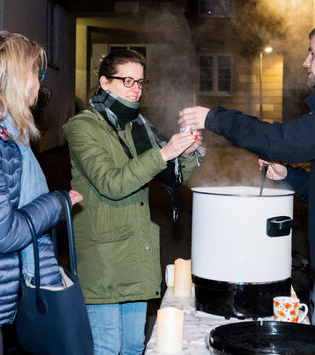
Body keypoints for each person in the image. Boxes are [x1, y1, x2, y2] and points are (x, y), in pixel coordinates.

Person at [178, 19, 315, 354]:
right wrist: (287, 176)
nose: (305, 62)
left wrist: (214, 118)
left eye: (312, 53)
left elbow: (281, 141)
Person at [62, 49, 201, 355]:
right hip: (103, 258)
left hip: (136, 252)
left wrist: (185, 153)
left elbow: (170, 176)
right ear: (105, 83)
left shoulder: (136, 127)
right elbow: (112, 183)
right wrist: (164, 152)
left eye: (140, 81)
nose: (136, 88)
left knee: (133, 345)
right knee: (107, 347)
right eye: (127, 80)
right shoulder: (82, 127)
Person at [0, 31, 82, 353]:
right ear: (17, 78)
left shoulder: (9, 136)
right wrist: (56, 204)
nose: (39, 83)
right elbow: (3, 233)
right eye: (36, 73)